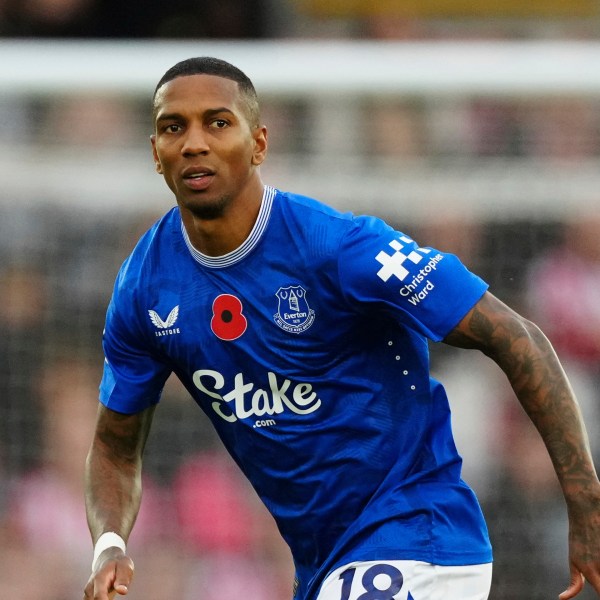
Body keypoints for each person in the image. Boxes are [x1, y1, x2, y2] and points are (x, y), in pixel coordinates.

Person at [83, 57, 600, 600]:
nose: (193, 142)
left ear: (258, 144)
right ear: (155, 153)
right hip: (325, 568)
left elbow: (516, 337)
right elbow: (115, 448)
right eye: (173, 127)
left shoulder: (339, 248)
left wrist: (586, 500)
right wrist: (109, 543)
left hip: (417, 536)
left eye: (217, 122)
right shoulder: (145, 289)